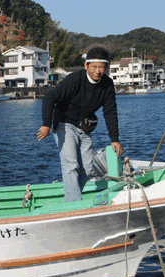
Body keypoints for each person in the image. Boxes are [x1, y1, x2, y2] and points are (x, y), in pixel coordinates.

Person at [37, 47, 122, 202]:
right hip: (64, 123)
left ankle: (70, 198)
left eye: (102, 67)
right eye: (94, 67)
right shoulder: (75, 79)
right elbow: (49, 97)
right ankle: (74, 204)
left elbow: (110, 112)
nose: (98, 71)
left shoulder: (107, 84)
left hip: (84, 127)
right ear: (86, 66)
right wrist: (46, 124)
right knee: (70, 164)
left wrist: (114, 139)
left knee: (88, 169)